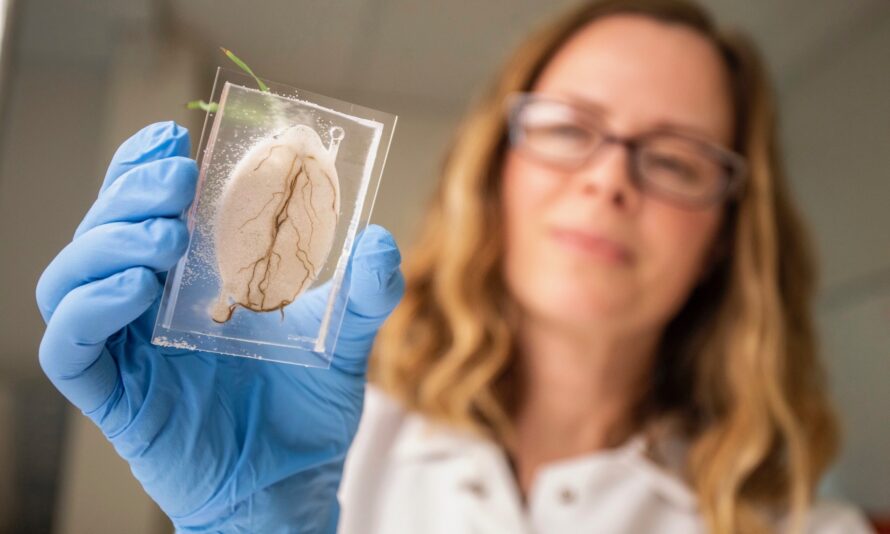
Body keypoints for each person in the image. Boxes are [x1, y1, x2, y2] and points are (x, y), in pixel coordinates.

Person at [35, 0, 876, 533]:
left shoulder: (810, 528)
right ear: (496, 172)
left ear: (727, 236)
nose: (609, 178)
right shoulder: (334, 435)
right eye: (567, 126)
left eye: (679, 159)